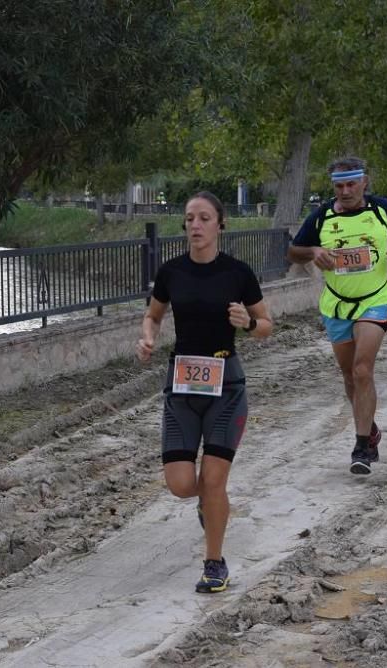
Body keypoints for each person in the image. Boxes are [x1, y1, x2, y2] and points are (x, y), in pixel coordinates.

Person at [137, 191, 273, 594]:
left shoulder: (237, 273)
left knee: (214, 480)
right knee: (182, 484)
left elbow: (267, 324)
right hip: (181, 386)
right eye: (189, 219)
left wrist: (248, 323)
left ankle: (214, 563)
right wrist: (147, 338)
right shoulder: (171, 272)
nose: (195, 225)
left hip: (226, 386)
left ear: (220, 224)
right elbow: (153, 315)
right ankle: (209, 506)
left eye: (204, 218)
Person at [287, 157, 387, 475]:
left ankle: (361, 446)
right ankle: (370, 428)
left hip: (374, 299)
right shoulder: (321, 216)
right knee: (350, 377)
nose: (345, 191)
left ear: (364, 182)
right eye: (339, 186)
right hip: (337, 304)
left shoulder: (382, 210)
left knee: (363, 369)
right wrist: (313, 252)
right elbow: (293, 251)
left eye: (351, 184)